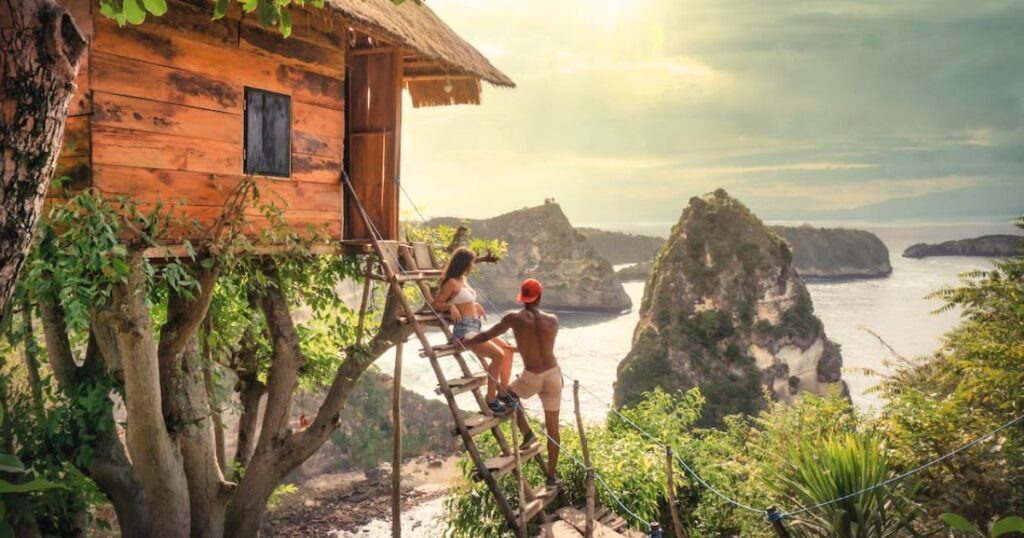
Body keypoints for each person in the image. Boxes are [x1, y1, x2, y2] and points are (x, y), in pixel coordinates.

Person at [462, 278, 563, 487]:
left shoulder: (513, 318)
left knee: (506, 397)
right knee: (554, 430)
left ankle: (528, 434)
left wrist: (467, 342)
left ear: (523, 298)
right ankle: (552, 477)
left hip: (532, 377)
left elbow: (487, 335)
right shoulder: (553, 320)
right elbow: (542, 345)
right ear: (540, 296)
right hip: (553, 374)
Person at [432, 247, 515, 415]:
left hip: (476, 327)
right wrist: (450, 306)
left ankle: (503, 392)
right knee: (498, 355)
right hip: (464, 332)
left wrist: (474, 304)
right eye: (472, 263)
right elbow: (436, 303)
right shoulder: (451, 282)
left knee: (506, 348)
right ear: (464, 263)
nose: (473, 266)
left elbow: (465, 299)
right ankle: (491, 399)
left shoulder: (463, 279)